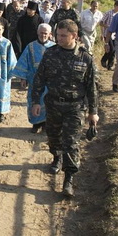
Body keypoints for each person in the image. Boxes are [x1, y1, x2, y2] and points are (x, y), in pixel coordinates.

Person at [32, 19, 98, 197]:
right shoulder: (50, 54)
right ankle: (56, 156)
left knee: (71, 142)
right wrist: (35, 101)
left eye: (63, 35)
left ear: (74, 36)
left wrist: (93, 112)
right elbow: (39, 79)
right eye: (57, 35)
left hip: (75, 107)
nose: (58, 38)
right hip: (53, 104)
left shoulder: (85, 58)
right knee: (54, 137)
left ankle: (69, 178)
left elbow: (92, 86)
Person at [11, 23, 55, 133]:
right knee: (34, 100)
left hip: (50, 81)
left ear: (50, 34)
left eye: (45, 33)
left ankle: (45, 124)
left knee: (48, 102)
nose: (43, 35)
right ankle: (36, 124)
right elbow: (24, 62)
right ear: (37, 33)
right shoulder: (30, 46)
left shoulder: (54, 47)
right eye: (41, 33)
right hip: (34, 80)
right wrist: (23, 78)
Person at [0, 21, 17, 123]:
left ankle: (1, 113)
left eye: (0, 29)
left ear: (3, 30)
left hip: (3, 71)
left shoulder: (7, 43)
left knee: (2, 92)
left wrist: (11, 72)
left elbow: (11, 58)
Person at [99, 0, 118, 70]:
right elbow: (101, 23)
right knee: (111, 49)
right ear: (115, 6)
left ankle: (110, 65)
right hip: (107, 33)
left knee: (115, 50)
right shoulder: (108, 13)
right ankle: (103, 60)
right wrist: (108, 27)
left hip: (115, 35)